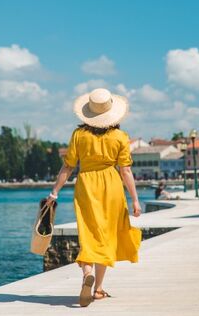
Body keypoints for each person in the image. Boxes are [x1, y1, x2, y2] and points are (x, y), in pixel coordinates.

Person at [45, 88, 142, 307]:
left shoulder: (79, 135)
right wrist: (135, 200)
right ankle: (97, 288)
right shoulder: (120, 136)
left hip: (86, 185)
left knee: (88, 232)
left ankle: (86, 272)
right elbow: (125, 171)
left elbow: (68, 167)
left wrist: (54, 192)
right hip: (112, 186)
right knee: (106, 235)